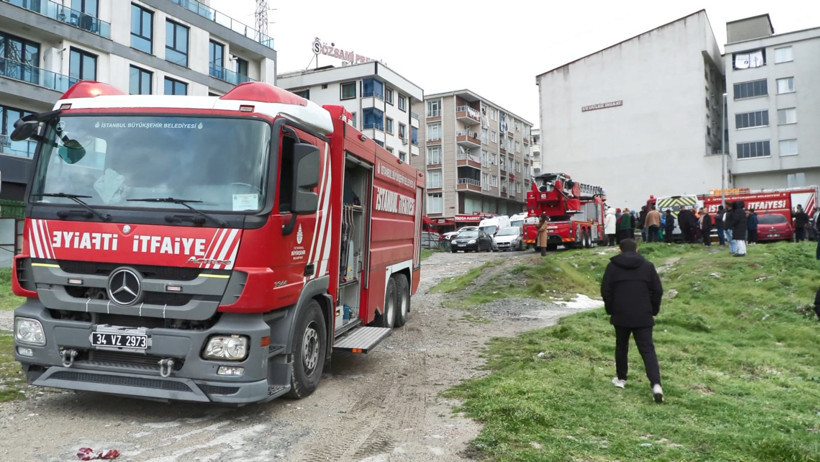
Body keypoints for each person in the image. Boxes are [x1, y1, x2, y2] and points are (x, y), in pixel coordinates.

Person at [600, 238, 664, 403]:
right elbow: (657, 290)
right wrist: (653, 309)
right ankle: (656, 385)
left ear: (620, 250)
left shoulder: (613, 267)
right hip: (643, 314)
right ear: (637, 249)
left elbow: (605, 290)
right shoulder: (647, 266)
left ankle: (621, 379)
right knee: (647, 349)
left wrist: (611, 309)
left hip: (620, 313)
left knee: (621, 345)